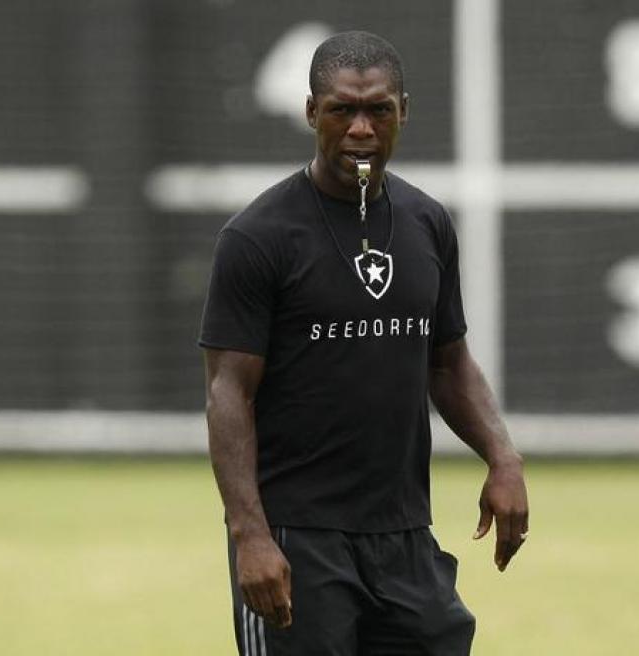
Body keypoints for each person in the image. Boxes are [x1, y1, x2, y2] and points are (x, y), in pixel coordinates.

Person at [200, 30, 528, 655]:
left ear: (403, 111)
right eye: (340, 110)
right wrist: (250, 536)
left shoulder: (427, 222)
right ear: (310, 114)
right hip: (298, 538)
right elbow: (227, 391)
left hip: (403, 533)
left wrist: (503, 458)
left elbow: (449, 362)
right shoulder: (257, 237)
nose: (360, 128)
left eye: (377, 109)